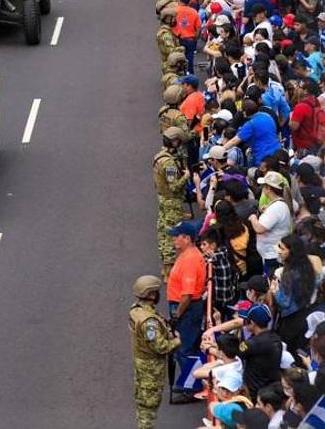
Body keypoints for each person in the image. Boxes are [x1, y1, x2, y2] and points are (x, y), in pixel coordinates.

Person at [129, 275, 180, 429]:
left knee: (144, 396)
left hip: (143, 361)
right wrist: (177, 341)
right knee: (149, 401)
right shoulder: (149, 322)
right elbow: (160, 346)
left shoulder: (136, 310)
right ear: (151, 294)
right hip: (151, 366)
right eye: (156, 292)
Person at [165, 220, 206, 404]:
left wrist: (177, 315)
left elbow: (187, 295)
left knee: (184, 348)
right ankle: (188, 381)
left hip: (186, 309)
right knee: (186, 346)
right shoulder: (187, 255)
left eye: (177, 236)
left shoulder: (189, 260)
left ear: (187, 238)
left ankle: (192, 388)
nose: (173, 239)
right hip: (186, 308)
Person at [154, 127, 191, 278]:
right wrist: (186, 176)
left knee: (163, 232)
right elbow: (174, 186)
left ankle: (164, 267)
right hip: (172, 201)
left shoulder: (160, 156)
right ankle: (169, 272)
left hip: (163, 199)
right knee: (171, 235)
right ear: (174, 142)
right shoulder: (169, 163)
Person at [249, 171, 292, 273]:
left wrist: (253, 218)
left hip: (273, 256)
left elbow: (259, 228)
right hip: (270, 254)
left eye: (264, 186)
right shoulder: (277, 205)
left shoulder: (277, 207)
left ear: (269, 188)